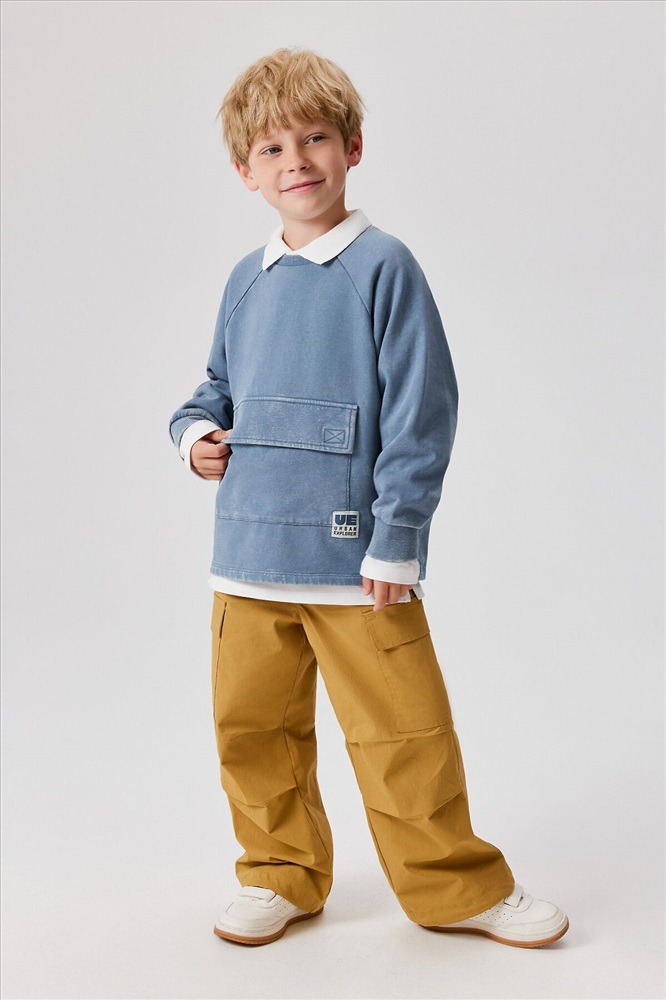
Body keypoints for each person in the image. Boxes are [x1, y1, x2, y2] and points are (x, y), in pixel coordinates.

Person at [168, 46, 569, 949]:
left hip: (357, 564)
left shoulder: (384, 266)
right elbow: (214, 390)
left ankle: (455, 886)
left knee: (404, 737)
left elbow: (423, 412)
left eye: (314, 139)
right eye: (272, 149)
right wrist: (196, 438)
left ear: (352, 147)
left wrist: (398, 537)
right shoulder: (245, 279)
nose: (296, 162)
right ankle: (278, 874)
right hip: (246, 561)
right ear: (244, 171)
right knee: (252, 734)